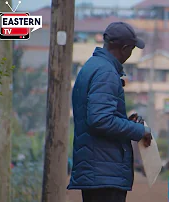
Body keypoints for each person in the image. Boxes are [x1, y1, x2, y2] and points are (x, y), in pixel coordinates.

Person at [67, 22, 152, 202]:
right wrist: (139, 131)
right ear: (125, 48)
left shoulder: (93, 66)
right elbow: (100, 120)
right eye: (131, 49)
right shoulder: (106, 72)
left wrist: (127, 122)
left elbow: (99, 115)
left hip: (97, 168)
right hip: (104, 171)